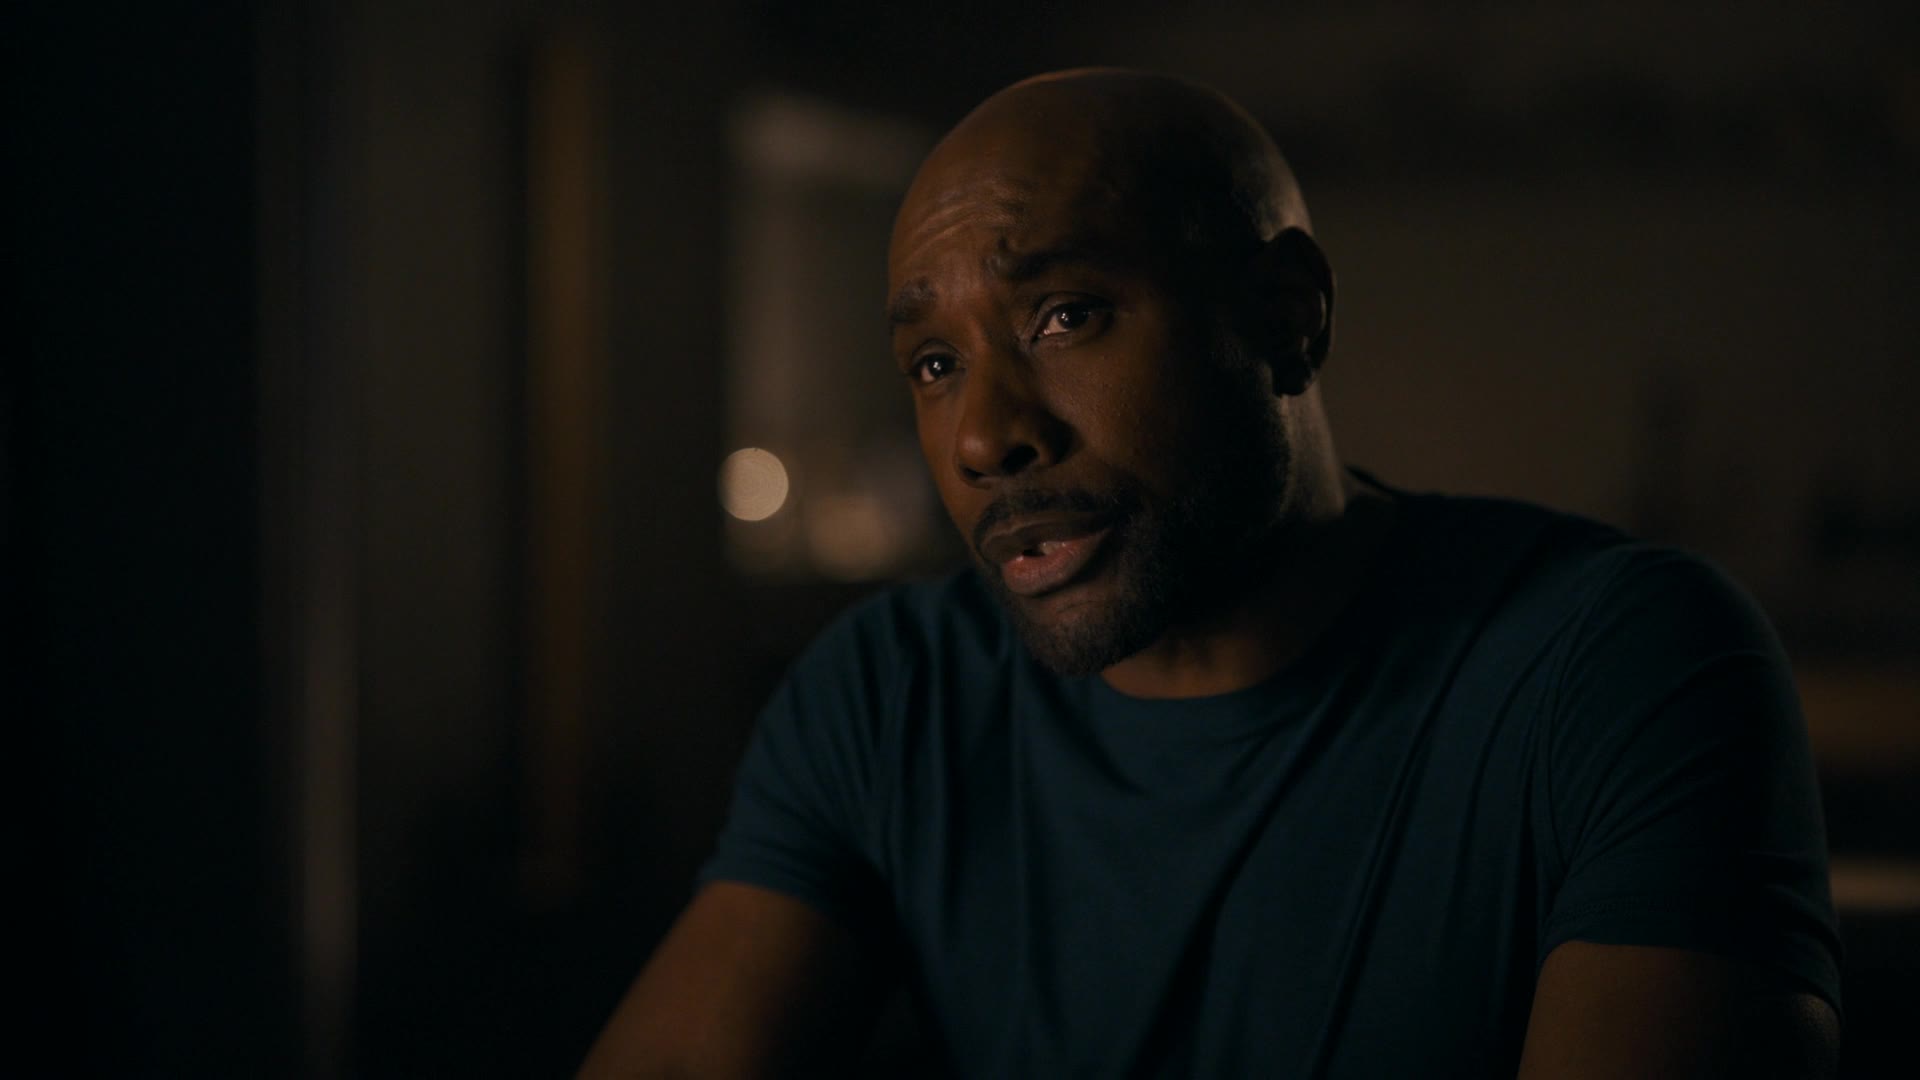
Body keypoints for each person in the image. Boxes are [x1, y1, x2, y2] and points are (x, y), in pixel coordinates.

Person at [580, 69, 1842, 1077]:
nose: (982, 437)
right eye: (934, 364)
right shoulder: (890, 695)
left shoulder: (1616, 666)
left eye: (1064, 315)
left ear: (1287, 316)